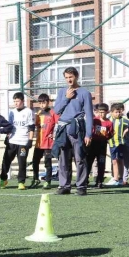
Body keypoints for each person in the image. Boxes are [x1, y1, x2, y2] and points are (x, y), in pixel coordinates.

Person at [52, 67, 93, 195]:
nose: (69, 79)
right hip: (63, 128)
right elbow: (56, 110)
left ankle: (81, 186)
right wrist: (66, 98)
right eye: (66, 77)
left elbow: (89, 115)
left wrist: (88, 134)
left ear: (76, 76)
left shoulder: (85, 93)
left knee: (80, 157)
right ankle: (64, 185)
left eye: (71, 77)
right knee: (63, 158)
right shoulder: (62, 92)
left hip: (77, 128)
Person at [1, 92, 35, 190]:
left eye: (18, 101)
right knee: (6, 161)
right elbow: (10, 127)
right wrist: (7, 138)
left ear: (23, 101)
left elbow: (31, 127)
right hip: (12, 141)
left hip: (23, 142)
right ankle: (3, 180)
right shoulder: (12, 112)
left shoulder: (28, 111)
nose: (16, 103)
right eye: (14, 101)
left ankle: (21, 182)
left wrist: (30, 140)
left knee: (22, 162)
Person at [30, 93, 58, 189]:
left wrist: (54, 134)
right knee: (35, 161)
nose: (42, 105)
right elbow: (36, 126)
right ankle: (36, 179)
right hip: (38, 143)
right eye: (40, 103)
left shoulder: (53, 113)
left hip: (48, 143)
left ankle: (48, 181)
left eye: (44, 102)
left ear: (48, 102)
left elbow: (58, 125)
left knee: (47, 163)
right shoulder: (38, 114)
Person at [87, 103, 113, 188]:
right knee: (89, 162)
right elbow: (89, 129)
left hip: (102, 145)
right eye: (100, 112)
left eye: (103, 112)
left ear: (107, 112)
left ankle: (99, 181)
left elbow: (111, 133)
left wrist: (106, 137)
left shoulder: (109, 123)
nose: (101, 114)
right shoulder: (95, 120)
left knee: (101, 163)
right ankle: (85, 180)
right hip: (93, 144)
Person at [106, 103, 127, 186]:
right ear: (111, 112)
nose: (118, 114)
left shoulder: (123, 119)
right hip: (111, 143)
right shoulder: (108, 119)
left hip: (120, 143)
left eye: (119, 112)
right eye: (116, 112)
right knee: (114, 161)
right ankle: (115, 178)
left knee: (120, 160)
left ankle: (120, 178)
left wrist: (126, 130)